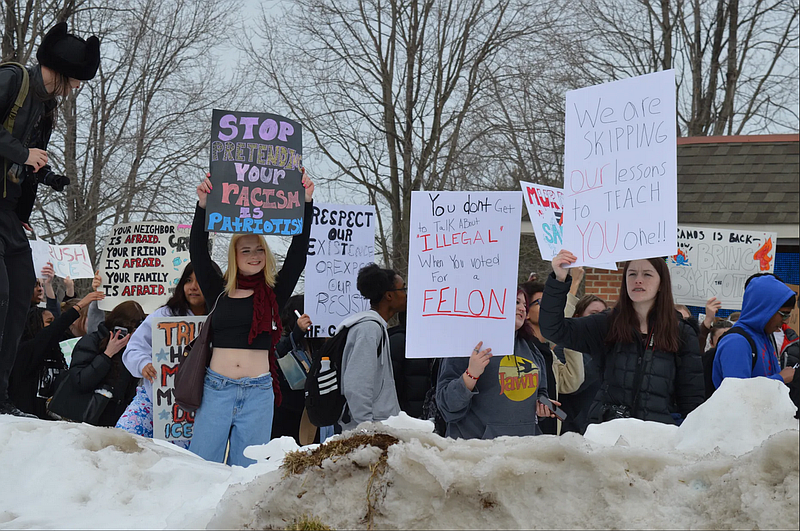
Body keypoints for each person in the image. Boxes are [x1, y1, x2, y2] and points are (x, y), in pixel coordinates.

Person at [0, 22, 100, 417]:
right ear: (59, 70)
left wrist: (44, 174)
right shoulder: (12, 80)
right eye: (74, 80)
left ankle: (2, 398)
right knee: (2, 293)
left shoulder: (46, 107)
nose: (74, 88)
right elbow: (17, 150)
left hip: (8, 213)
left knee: (22, 291)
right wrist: (23, 154)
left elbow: (27, 158)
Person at [188, 170, 314, 466]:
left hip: (259, 393)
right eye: (246, 250)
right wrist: (203, 205)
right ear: (235, 255)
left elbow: (298, 256)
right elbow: (198, 250)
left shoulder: (274, 293)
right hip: (216, 389)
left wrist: (306, 204)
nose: (254, 255)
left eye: (259, 249)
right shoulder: (218, 290)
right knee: (202, 467)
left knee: (247, 474)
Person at [540, 250, 705, 425]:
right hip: (607, 434)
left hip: (656, 438)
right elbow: (553, 329)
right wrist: (559, 280)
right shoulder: (606, 324)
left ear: (661, 284)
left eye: (647, 274)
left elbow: (692, 399)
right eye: (632, 274)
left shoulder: (682, 333)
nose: (638, 280)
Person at [436, 288, 556, 439]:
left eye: (524, 304)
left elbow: (541, 392)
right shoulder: (468, 346)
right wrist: (470, 376)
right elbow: (447, 407)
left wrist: (542, 405)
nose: (522, 308)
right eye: (516, 302)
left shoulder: (532, 348)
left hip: (524, 450)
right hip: (477, 449)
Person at [117, 262, 215, 442]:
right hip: (153, 399)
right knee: (123, 442)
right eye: (188, 280)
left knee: (178, 462)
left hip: (196, 409)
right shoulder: (164, 315)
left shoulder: (220, 319)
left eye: (200, 280)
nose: (193, 287)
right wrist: (142, 364)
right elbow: (135, 346)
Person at [8, 289, 103, 418]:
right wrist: (79, 306)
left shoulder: (58, 351)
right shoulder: (24, 351)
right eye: (48, 322)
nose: (52, 326)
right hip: (27, 424)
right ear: (33, 324)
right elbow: (51, 333)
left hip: (54, 424)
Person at [337, 264, 406, 432]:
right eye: (403, 289)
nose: (406, 294)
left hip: (379, 425)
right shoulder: (368, 329)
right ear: (389, 295)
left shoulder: (375, 327)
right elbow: (356, 384)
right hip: (370, 430)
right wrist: (367, 427)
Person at [521, 275, 584, 435]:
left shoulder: (547, 353)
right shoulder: (521, 351)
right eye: (542, 303)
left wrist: (569, 333)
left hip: (549, 439)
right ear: (525, 311)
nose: (549, 307)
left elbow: (572, 381)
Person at [65, 301, 145, 427]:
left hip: (118, 420)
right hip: (89, 418)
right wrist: (107, 355)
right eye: (127, 330)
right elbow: (80, 381)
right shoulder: (92, 341)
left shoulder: (133, 350)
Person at [712, 273, 796, 390]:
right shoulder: (736, 342)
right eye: (784, 314)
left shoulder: (764, 337)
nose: (786, 321)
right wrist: (780, 378)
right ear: (764, 309)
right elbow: (736, 393)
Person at [271, 294, 321, 445]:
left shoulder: (317, 344)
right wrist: (298, 334)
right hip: (285, 414)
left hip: (309, 413)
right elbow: (280, 352)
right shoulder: (282, 341)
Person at [557, 294, 608, 435]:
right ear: (578, 318)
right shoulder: (564, 349)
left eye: (603, 315)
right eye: (593, 314)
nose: (599, 320)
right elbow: (574, 386)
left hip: (600, 428)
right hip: (573, 430)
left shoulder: (609, 349)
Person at [388, 311, 434, 419]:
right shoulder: (399, 341)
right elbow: (392, 382)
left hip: (426, 414)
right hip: (405, 415)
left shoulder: (432, 342)